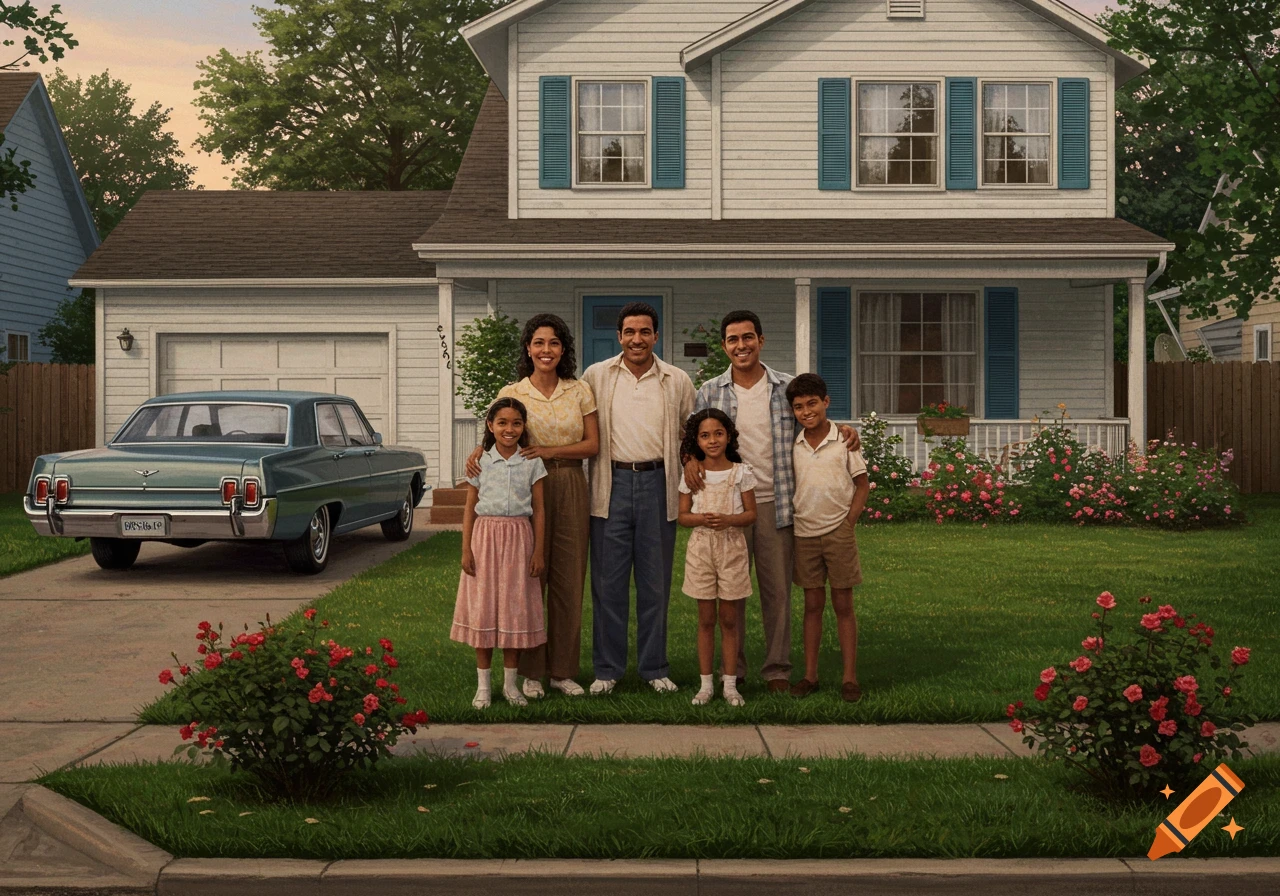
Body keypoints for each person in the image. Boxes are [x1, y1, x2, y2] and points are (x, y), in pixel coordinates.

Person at [686, 310, 860, 694]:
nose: (741, 345)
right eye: (733, 339)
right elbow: (694, 437)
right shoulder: (710, 391)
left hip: (776, 502)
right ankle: (736, 669)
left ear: (761, 341)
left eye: (748, 337)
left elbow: (813, 420)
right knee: (732, 590)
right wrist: (689, 461)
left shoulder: (785, 387)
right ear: (724, 346)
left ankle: (777, 669)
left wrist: (845, 429)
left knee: (776, 592)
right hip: (729, 505)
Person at [463, 314, 599, 700]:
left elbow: (592, 445)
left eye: (554, 343)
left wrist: (551, 451)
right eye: (539, 343)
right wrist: (477, 448)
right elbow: (492, 432)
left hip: (570, 482)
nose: (546, 350)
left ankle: (563, 672)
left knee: (569, 580)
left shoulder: (579, 390)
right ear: (528, 348)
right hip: (524, 488)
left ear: (563, 349)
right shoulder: (514, 390)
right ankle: (532, 673)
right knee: (528, 581)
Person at [582, 301, 695, 694]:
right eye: (630, 332)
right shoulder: (596, 376)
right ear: (619, 336)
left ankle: (655, 667)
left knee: (655, 584)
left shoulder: (677, 379)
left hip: (657, 484)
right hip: (609, 486)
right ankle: (607, 669)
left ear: (656, 336)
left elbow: (690, 433)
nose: (637, 339)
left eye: (645, 332)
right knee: (607, 583)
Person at [451, 397, 547, 709]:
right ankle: (483, 687)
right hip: (485, 539)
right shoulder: (479, 462)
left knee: (513, 608)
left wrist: (538, 552)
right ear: (490, 426)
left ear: (524, 427)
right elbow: (469, 506)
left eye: (516, 423)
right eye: (502, 423)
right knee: (484, 608)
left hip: (519, 538)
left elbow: (540, 510)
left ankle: (510, 685)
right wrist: (466, 548)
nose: (509, 429)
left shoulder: (532, 461)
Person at [785, 373, 871, 703]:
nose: (806, 411)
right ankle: (810, 675)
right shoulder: (793, 444)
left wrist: (848, 522)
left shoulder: (844, 441)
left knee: (843, 604)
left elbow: (861, 484)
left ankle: (850, 678)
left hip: (838, 532)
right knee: (811, 605)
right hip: (804, 532)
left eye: (812, 404)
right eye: (798, 407)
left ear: (826, 403)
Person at [678, 409, 757, 707]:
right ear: (696, 441)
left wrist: (729, 519)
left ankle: (731, 684)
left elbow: (751, 514)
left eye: (718, 433)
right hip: (701, 549)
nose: (712, 440)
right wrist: (700, 518)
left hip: (732, 548)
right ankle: (705, 684)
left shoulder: (740, 472)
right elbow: (682, 516)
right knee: (706, 618)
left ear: (729, 436)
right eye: (705, 435)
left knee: (729, 619)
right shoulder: (693, 475)